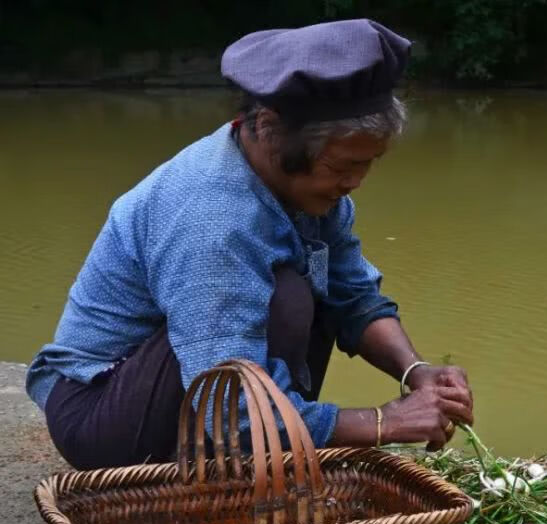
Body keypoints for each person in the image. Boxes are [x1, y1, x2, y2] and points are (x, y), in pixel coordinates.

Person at [25, 19, 474, 470]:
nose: (354, 182)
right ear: (268, 128)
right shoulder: (213, 216)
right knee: (288, 297)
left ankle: (261, 449)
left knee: (308, 291)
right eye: (342, 165)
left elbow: (354, 296)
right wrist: (383, 423)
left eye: (367, 164)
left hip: (189, 387)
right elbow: (229, 405)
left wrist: (416, 373)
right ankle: (239, 455)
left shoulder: (315, 194)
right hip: (99, 410)